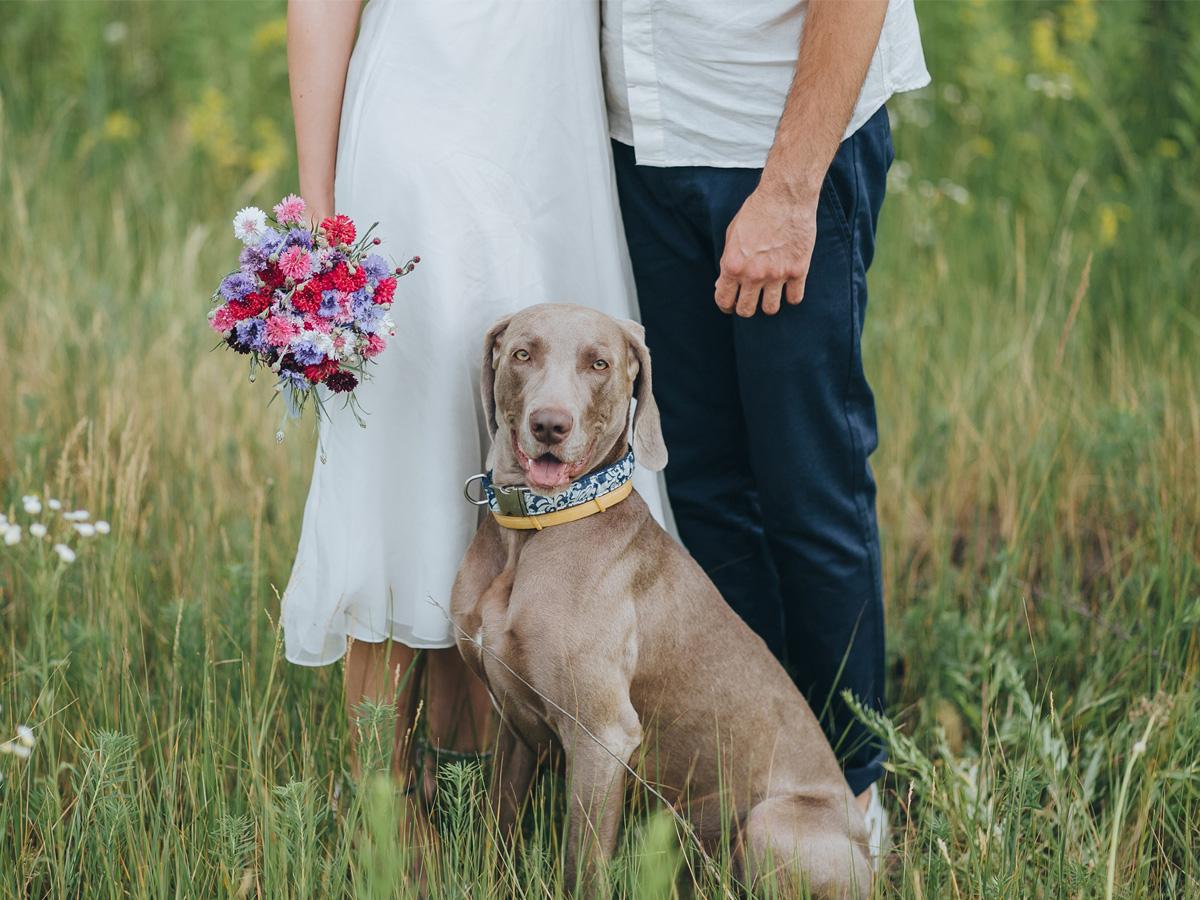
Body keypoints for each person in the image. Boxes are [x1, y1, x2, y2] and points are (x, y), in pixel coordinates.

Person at [282, 0, 666, 795]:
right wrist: (319, 213)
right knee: (408, 468)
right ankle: (383, 804)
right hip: (423, 136)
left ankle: (475, 790)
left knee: (535, 449)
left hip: (555, 149)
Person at [602, 0, 929, 858]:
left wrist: (789, 190)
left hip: (775, 145)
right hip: (642, 138)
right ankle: (757, 779)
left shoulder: (788, 176)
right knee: (705, 488)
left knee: (807, 483)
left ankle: (852, 797)